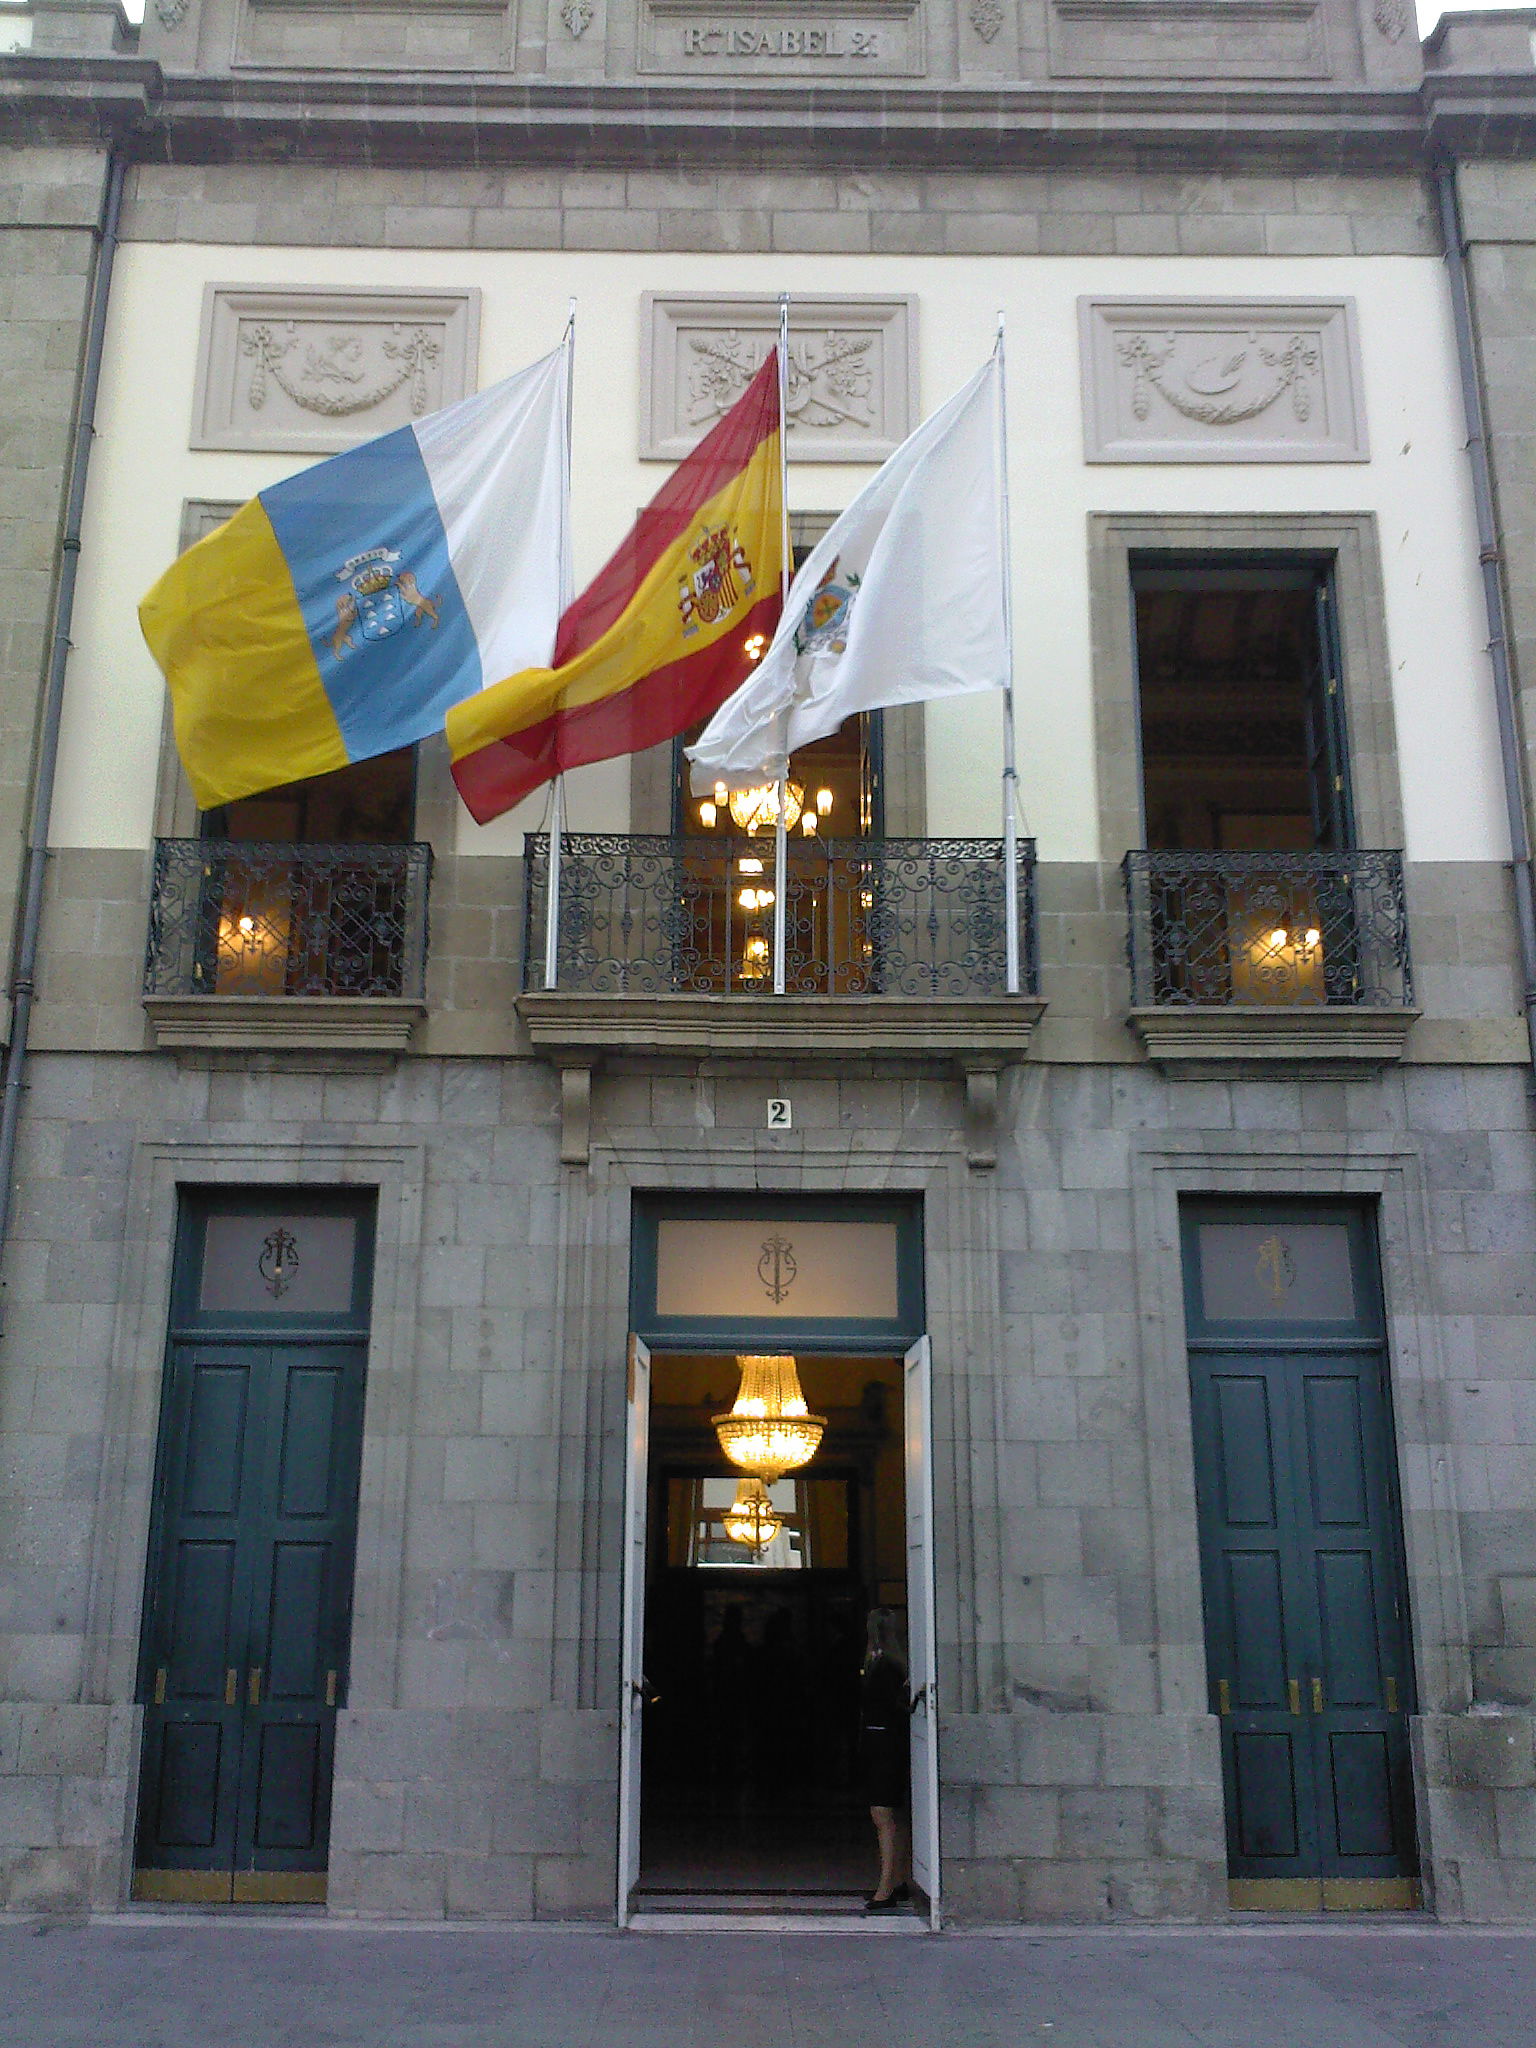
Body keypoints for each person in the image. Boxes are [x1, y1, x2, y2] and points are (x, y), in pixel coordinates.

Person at [858, 1606, 911, 1911]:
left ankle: (886, 1887)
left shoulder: (885, 1666)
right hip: (883, 1743)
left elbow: (891, 1708)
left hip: (884, 1745)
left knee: (883, 1815)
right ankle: (898, 1879)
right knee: (891, 1815)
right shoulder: (888, 1663)